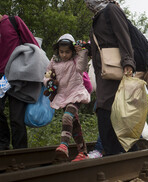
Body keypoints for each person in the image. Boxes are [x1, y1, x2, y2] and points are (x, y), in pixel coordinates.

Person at [84, 0, 135, 155]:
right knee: (113, 109)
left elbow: (123, 36)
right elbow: (104, 43)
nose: (88, 3)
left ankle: (117, 152)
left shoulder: (111, 10)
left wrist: (128, 62)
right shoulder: (99, 15)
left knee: (105, 107)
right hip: (104, 70)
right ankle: (125, 150)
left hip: (116, 67)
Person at [44, 34, 90, 161]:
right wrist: (48, 82)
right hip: (63, 95)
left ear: (72, 51)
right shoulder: (54, 60)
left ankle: (64, 145)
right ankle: (83, 152)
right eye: (61, 52)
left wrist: (82, 52)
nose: (64, 55)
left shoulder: (76, 59)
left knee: (67, 117)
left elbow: (82, 68)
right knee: (74, 125)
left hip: (76, 94)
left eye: (67, 52)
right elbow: (47, 75)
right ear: (58, 51)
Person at [0, 15, 40, 150]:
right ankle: (3, 145)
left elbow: (33, 45)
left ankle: (20, 152)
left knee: (16, 118)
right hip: (1, 78)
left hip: (16, 75)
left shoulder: (13, 21)